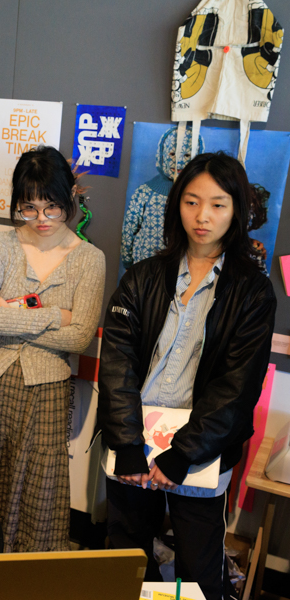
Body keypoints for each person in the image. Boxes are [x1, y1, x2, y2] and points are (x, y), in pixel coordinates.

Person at [98, 152, 276, 600]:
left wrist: (183, 454)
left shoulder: (252, 291)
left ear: (237, 210)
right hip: (135, 446)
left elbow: (237, 387)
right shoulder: (142, 276)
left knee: (198, 572)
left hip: (199, 454)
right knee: (125, 561)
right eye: (192, 202)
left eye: (218, 204)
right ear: (176, 204)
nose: (203, 216)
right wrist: (126, 442)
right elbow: (116, 361)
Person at [0, 146, 106, 552]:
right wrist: (54, 315)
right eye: (29, 208)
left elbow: (80, 337)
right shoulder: (0, 246)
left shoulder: (90, 260)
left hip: (47, 390)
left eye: (52, 207)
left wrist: (10, 316)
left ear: (71, 200)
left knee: (38, 486)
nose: (41, 219)